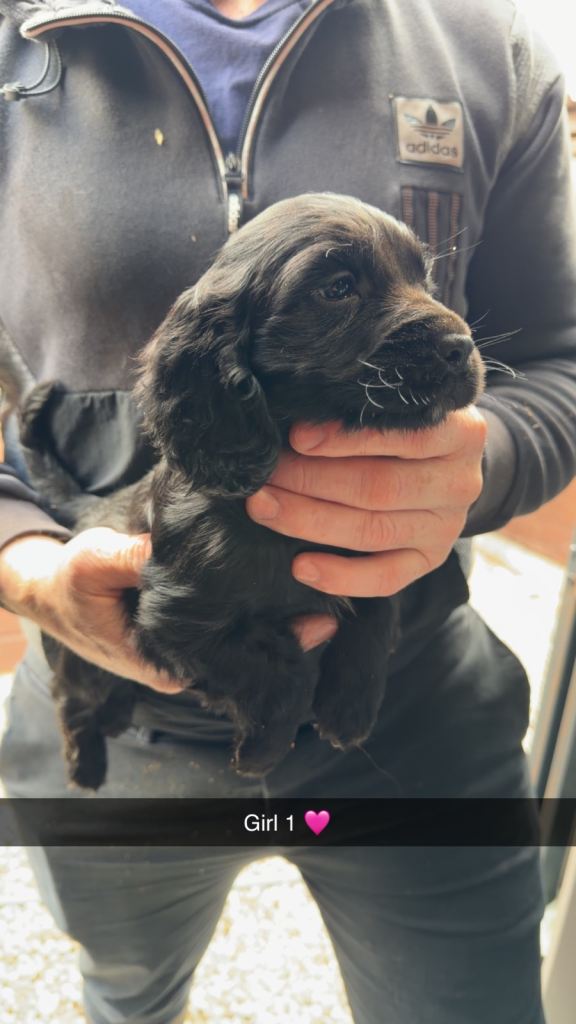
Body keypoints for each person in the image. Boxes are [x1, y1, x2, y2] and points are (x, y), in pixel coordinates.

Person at [0, 0, 575, 1022]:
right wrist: (23, 559)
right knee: (126, 993)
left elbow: (560, 363)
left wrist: (480, 471)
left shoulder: (494, 45)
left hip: (411, 696)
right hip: (126, 700)